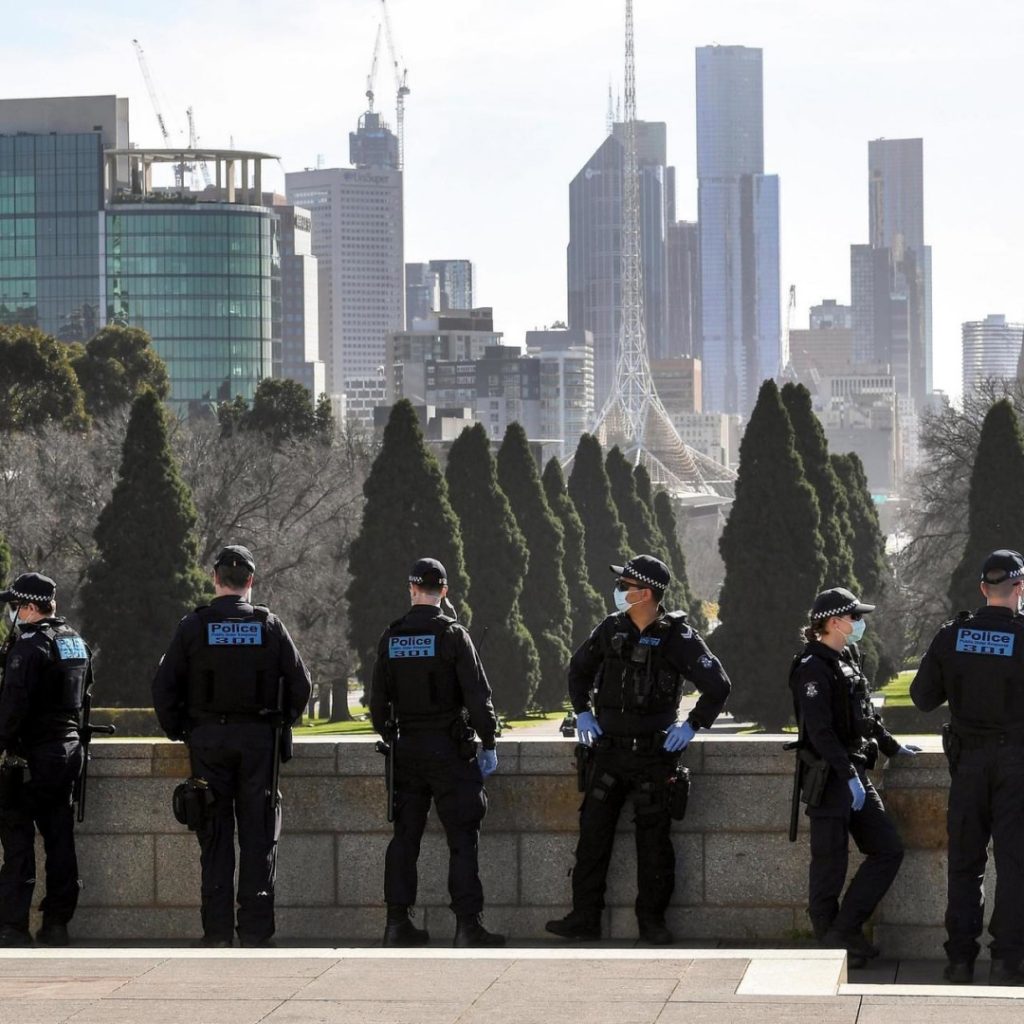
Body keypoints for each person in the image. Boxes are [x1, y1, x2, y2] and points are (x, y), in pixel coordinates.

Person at [545, 554, 731, 945]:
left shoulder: (677, 637)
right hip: (608, 751)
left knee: (654, 844)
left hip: (654, 754)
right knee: (593, 837)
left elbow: (718, 685)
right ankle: (584, 919)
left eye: (625, 586)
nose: (618, 592)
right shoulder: (610, 629)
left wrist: (691, 725)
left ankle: (652, 924)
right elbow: (577, 671)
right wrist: (582, 714)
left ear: (646, 593)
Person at [152, 545, 311, 948]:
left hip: (208, 741)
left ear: (215, 579)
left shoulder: (194, 625)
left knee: (216, 837)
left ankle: (217, 933)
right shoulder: (269, 625)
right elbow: (301, 684)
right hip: (259, 741)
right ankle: (256, 932)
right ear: (250, 581)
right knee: (258, 837)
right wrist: (278, 724)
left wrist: (182, 730)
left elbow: (164, 684)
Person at [369, 557, 504, 948]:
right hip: (449, 751)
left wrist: (396, 736)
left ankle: (397, 924)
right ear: (444, 591)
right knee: (462, 837)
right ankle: (467, 926)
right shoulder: (453, 636)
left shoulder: (391, 636)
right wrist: (489, 742)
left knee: (404, 838)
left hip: (406, 750)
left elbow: (378, 706)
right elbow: (479, 699)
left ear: (412, 590)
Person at [910, 549, 1024, 985]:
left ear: (982, 588)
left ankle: (959, 959)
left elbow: (922, 698)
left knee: (965, 863)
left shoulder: (952, 635)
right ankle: (1007, 959)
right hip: (1015, 763)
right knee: (1015, 863)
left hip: (968, 763)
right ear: (1019, 588)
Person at [791, 586, 913, 967]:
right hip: (830, 777)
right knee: (830, 863)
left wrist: (892, 747)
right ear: (833, 622)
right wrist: (847, 776)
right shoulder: (812, 667)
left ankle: (844, 928)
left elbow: (866, 715)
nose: (859, 623)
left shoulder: (849, 656)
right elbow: (821, 730)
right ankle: (829, 939)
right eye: (854, 617)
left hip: (855, 771)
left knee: (888, 848)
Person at [0, 572, 89, 947]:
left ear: (31, 607)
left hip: (32, 756)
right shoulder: (75, 642)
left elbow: (11, 711)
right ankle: (56, 924)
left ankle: (14, 926)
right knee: (60, 839)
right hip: (68, 751)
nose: (13, 614)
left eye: (16, 607)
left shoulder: (29, 647)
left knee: (18, 840)